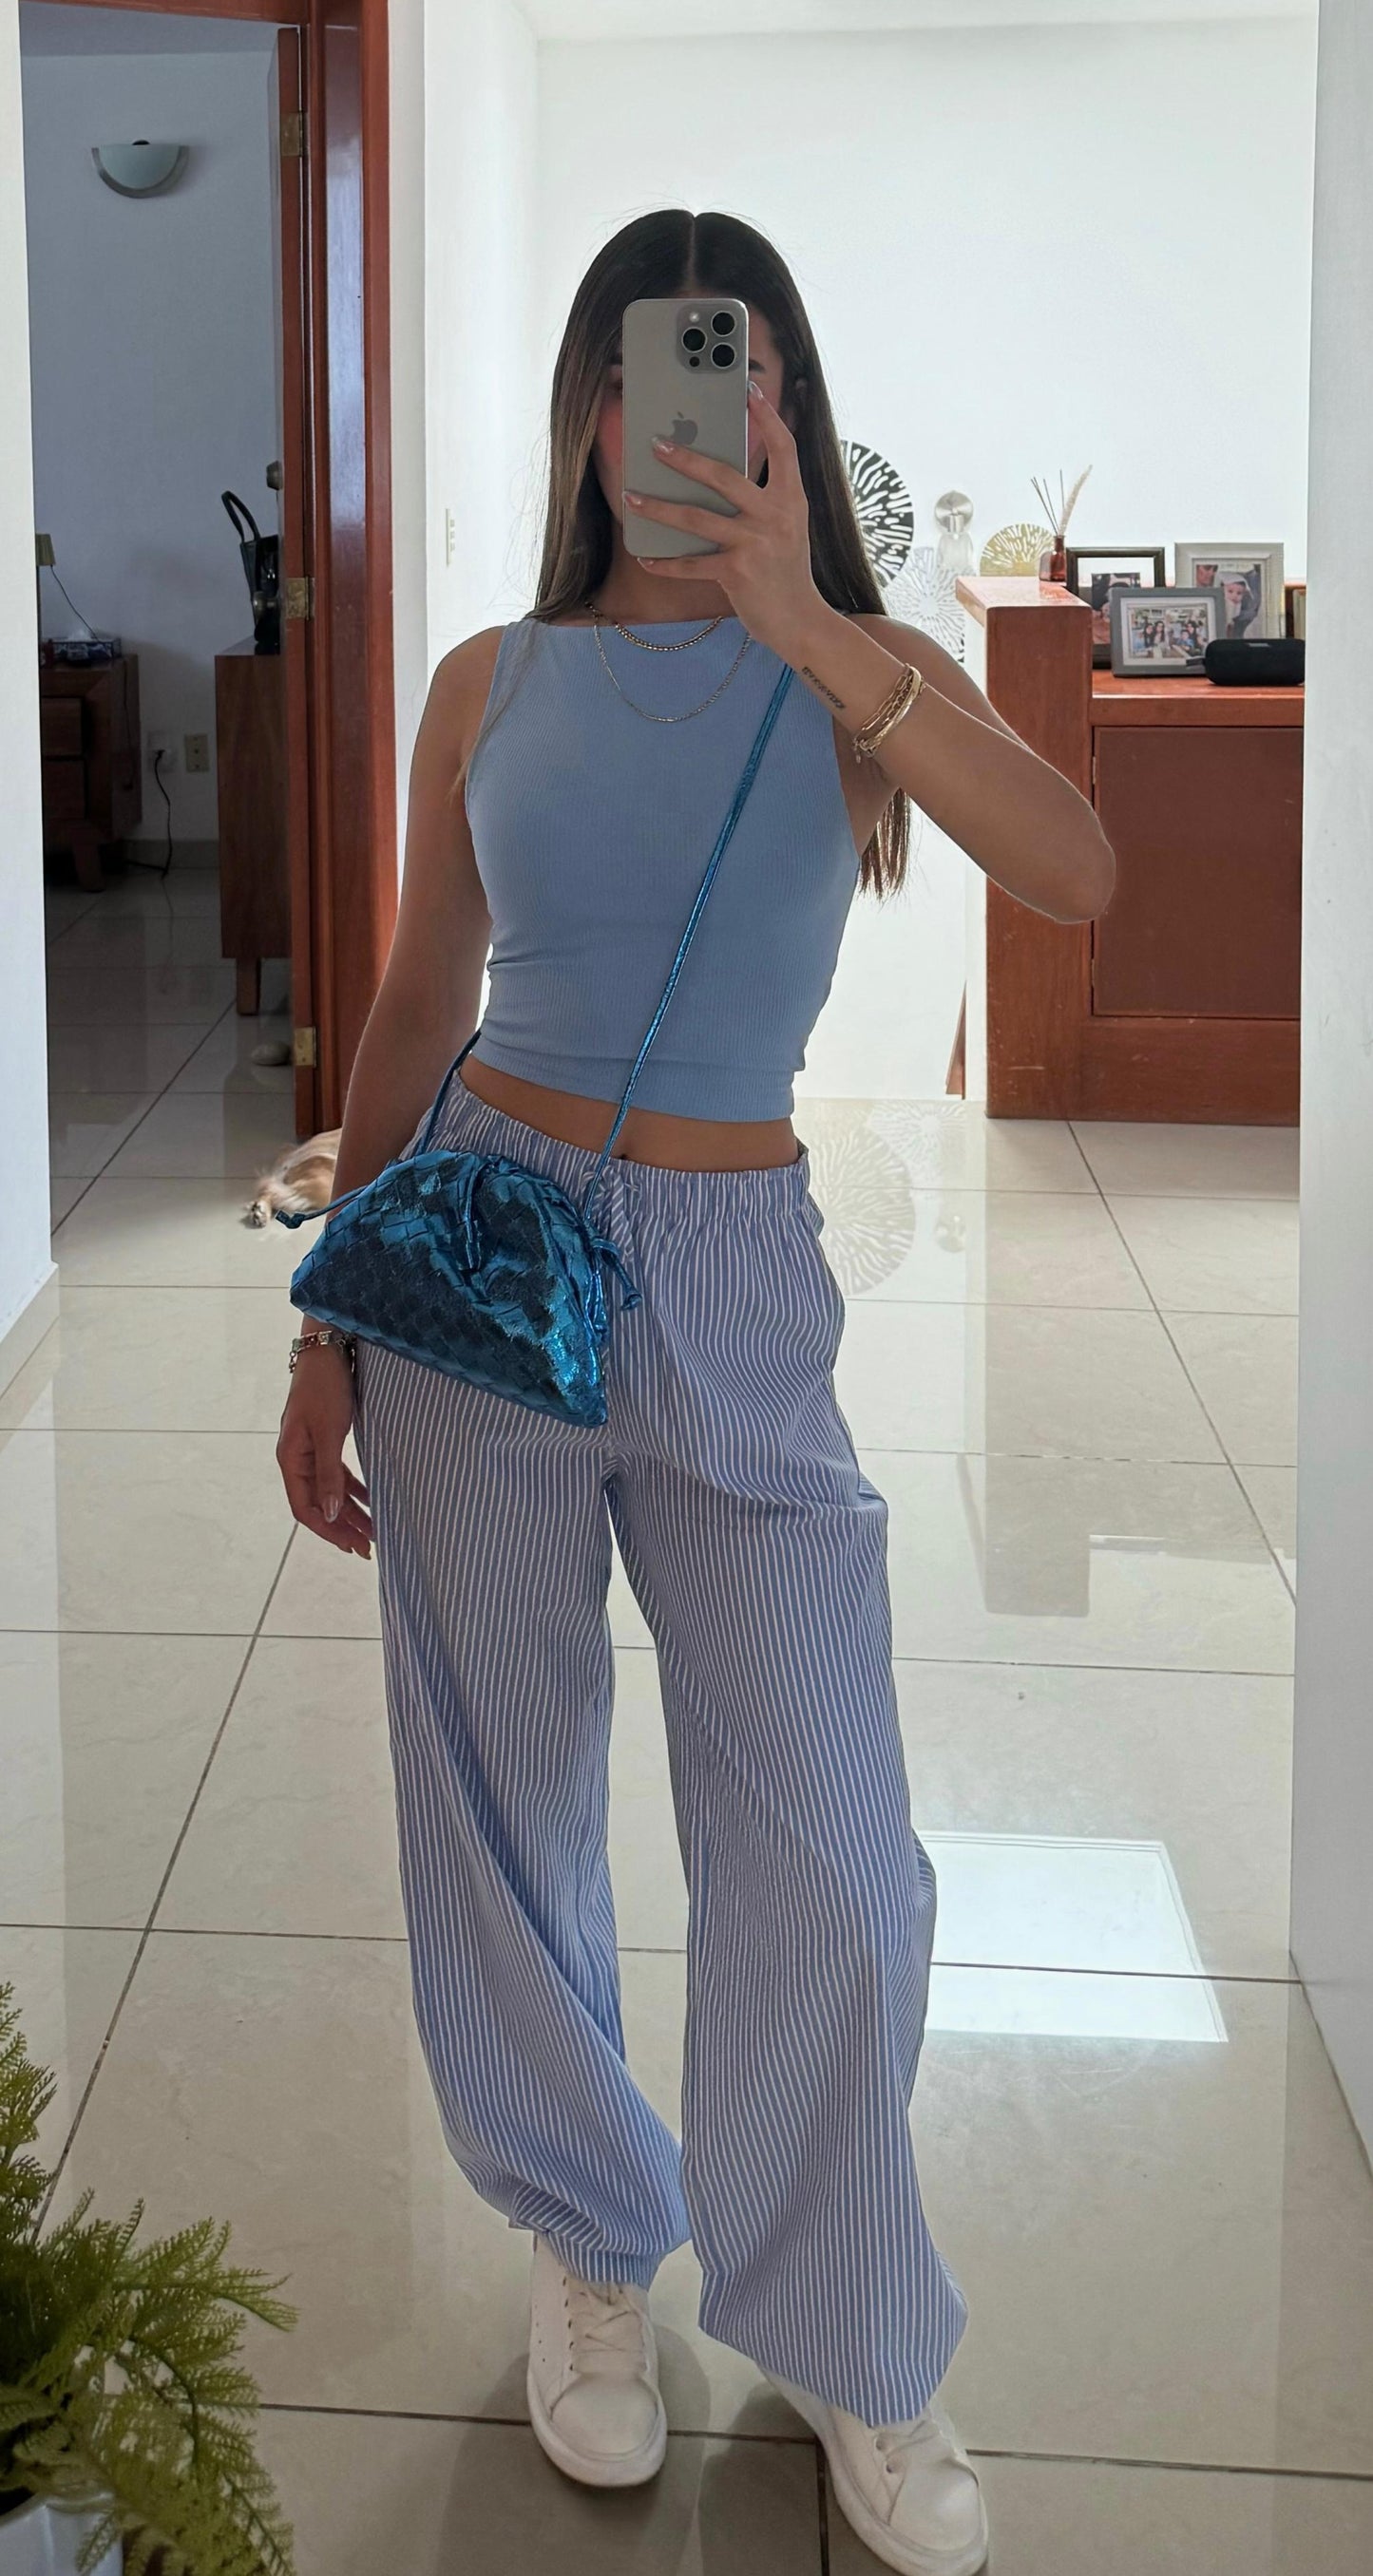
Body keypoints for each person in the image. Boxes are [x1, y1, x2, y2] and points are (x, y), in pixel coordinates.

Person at [276, 208, 1114, 2576]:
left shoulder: (863, 675)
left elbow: (1076, 873)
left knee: (835, 1842)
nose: (682, 427)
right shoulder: (488, 682)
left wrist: (814, 626)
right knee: (503, 1787)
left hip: (740, 1280)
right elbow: (417, 1001)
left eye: (734, 384)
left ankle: (846, 2320)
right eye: (639, 382)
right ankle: (586, 2242)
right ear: (585, 417)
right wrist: (328, 1322)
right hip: (483, 1261)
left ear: (783, 419)